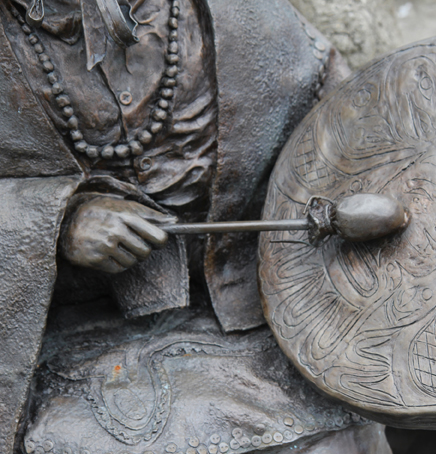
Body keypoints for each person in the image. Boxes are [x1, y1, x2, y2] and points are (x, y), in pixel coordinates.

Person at [0, 0, 393, 452]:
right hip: (68, 331)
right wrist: (57, 222)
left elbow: (351, 122)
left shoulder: (231, 15)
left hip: (254, 302)